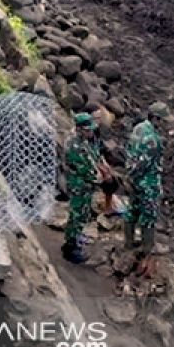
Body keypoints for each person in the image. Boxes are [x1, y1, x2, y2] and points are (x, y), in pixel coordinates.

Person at [126, 101, 171, 275]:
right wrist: (140, 179)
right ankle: (147, 249)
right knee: (149, 215)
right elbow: (143, 164)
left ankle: (128, 243)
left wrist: (130, 178)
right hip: (147, 182)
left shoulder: (138, 128)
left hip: (135, 180)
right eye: (163, 120)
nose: (165, 124)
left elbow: (130, 153)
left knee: (132, 210)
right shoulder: (153, 140)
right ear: (156, 118)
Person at [63, 113, 110, 264]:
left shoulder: (84, 142)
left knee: (83, 213)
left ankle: (75, 237)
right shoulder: (75, 146)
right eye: (88, 130)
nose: (91, 132)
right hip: (79, 185)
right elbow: (86, 170)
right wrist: (101, 180)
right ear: (80, 129)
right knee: (77, 215)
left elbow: (95, 157)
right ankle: (70, 247)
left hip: (85, 185)